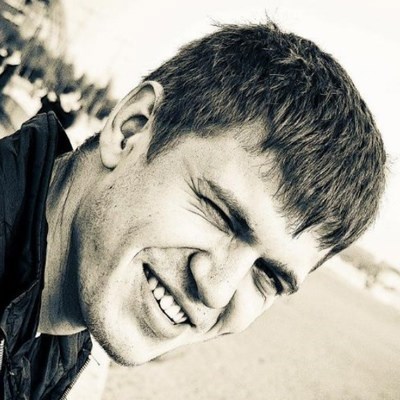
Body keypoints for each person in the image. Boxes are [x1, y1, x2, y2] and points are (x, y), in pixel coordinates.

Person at [0, 21, 386, 399]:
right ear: (131, 129)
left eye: (267, 276)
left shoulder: (66, 352)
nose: (217, 291)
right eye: (220, 213)